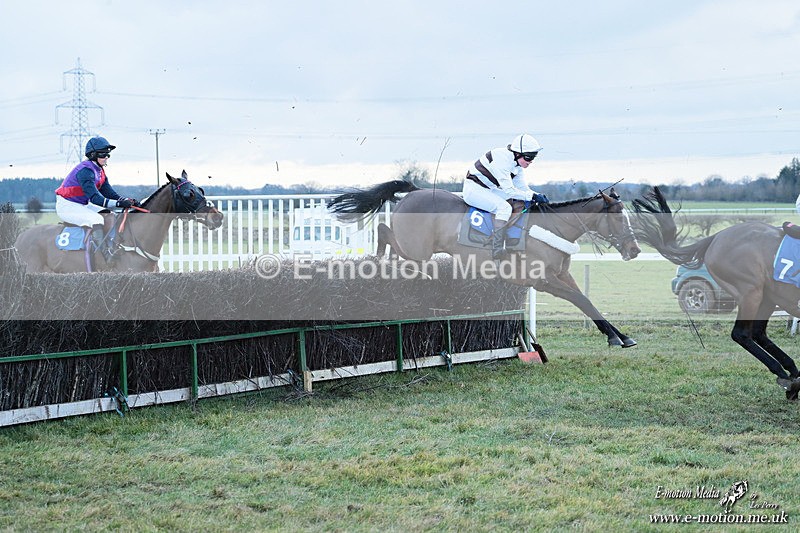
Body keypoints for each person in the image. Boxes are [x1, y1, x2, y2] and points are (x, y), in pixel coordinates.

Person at [463, 133, 549, 259]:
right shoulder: (502, 159)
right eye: (528, 158)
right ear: (517, 153)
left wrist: (536, 195)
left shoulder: (517, 165)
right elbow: (509, 190)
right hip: (474, 189)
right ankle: (496, 248)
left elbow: (522, 189)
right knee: (505, 208)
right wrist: (531, 196)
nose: (530, 162)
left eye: (533, 158)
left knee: (517, 202)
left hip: (488, 189)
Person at [55, 136, 140, 261]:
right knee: (96, 219)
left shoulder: (99, 171)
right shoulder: (85, 171)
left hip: (81, 204)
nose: (106, 157)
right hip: (67, 206)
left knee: (110, 214)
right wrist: (119, 203)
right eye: (103, 155)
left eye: (108, 155)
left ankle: (113, 246)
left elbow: (110, 193)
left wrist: (127, 200)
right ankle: (105, 255)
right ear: (93, 155)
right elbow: (95, 198)